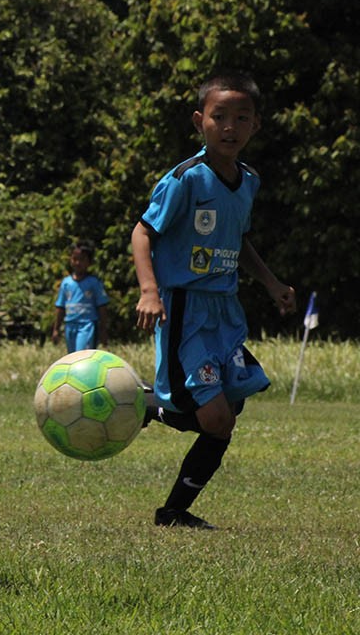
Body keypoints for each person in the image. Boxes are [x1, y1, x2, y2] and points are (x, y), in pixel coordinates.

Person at [132, 71, 295, 529]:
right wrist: (150, 292)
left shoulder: (248, 181)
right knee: (214, 417)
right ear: (199, 120)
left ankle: (175, 509)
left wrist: (270, 282)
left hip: (226, 311)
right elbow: (142, 232)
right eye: (219, 117)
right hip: (186, 307)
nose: (229, 127)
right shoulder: (185, 179)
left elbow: (239, 240)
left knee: (227, 413)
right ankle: (152, 411)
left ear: (255, 126)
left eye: (241, 118)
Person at [51, 239, 109, 353]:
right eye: (75, 259)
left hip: (87, 326)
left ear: (89, 262)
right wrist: (56, 329)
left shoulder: (94, 283)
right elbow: (60, 307)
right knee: (72, 357)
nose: (77, 263)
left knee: (83, 355)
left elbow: (102, 307)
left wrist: (103, 329)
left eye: (82, 260)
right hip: (70, 325)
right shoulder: (66, 283)